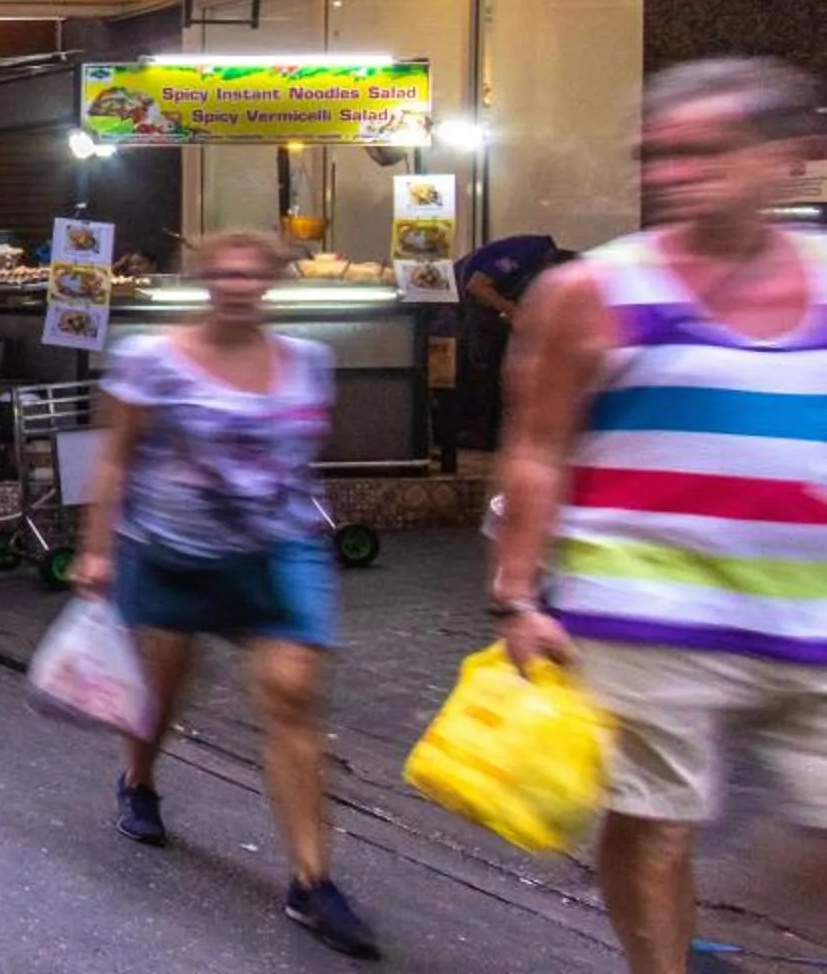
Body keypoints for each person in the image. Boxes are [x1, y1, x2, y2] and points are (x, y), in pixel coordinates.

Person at [493, 57, 827, 974]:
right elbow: (535, 448)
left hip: (813, 611)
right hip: (645, 611)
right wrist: (518, 595)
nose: (674, 175)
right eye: (658, 156)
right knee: (656, 823)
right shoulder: (589, 293)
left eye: (704, 153)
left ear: (791, 157)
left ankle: (756, 907)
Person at [70, 230, 374, 960]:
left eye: (251, 276)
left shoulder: (309, 364)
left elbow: (304, 455)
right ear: (206, 279)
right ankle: (138, 781)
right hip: (173, 552)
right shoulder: (152, 361)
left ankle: (311, 881)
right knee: (162, 690)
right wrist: (96, 549)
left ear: (270, 283)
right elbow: (115, 457)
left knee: (293, 695)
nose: (238, 286)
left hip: (276, 554)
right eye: (225, 275)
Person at [449, 231, 565, 455]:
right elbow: (477, 286)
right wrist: (512, 311)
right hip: (455, 305)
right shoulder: (527, 254)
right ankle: (473, 434)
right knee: (477, 370)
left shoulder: (539, 258)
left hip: (479, 310)